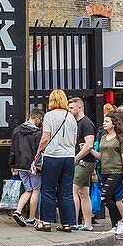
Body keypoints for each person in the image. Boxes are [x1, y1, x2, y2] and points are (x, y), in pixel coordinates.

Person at [32, 89, 78, 232]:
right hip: (69, 157)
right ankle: (67, 223)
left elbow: (45, 138)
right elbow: (74, 140)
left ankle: (46, 222)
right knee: (66, 191)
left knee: (48, 190)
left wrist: (38, 152)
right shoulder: (71, 117)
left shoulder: (50, 116)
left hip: (53, 156)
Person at [97, 110, 123, 235]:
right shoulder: (103, 137)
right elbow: (100, 155)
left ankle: (122, 221)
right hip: (104, 171)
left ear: (113, 124)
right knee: (110, 198)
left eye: (107, 121)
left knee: (104, 197)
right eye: (104, 121)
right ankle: (115, 225)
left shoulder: (120, 139)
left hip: (116, 171)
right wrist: (88, 149)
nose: (104, 123)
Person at [8, 107, 44, 226]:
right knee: (36, 190)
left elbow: (13, 148)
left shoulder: (17, 130)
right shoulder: (37, 133)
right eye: (41, 120)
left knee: (28, 189)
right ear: (38, 118)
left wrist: (12, 165)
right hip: (32, 165)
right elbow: (38, 150)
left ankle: (18, 211)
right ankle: (31, 218)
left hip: (20, 165)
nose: (40, 122)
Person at [69, 97, 98, 231]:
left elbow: (89, 145)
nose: (69, 110)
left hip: (84, 162)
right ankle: (88, 224)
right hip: (85, 162)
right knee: (83, 193)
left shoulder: (86, 123)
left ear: (79, 108)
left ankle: (73, 222)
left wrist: (76, 158)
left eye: (71, 108)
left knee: (73, 190)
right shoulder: (77, 122)